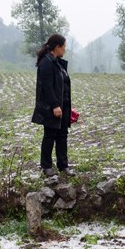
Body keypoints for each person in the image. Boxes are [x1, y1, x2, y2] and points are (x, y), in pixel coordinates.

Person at [31, 33, 74, 177]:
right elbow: (47, 87)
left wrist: (67, 106)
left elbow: (63, 86)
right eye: (64, 47)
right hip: (51, 108)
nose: (65, 50)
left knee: (62, 136)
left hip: (63, 107)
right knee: (49, 136)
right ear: (57, 47)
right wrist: (55, 105)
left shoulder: (57, 62)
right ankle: (46, 166)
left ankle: (63, 166)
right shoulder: (46, 63)